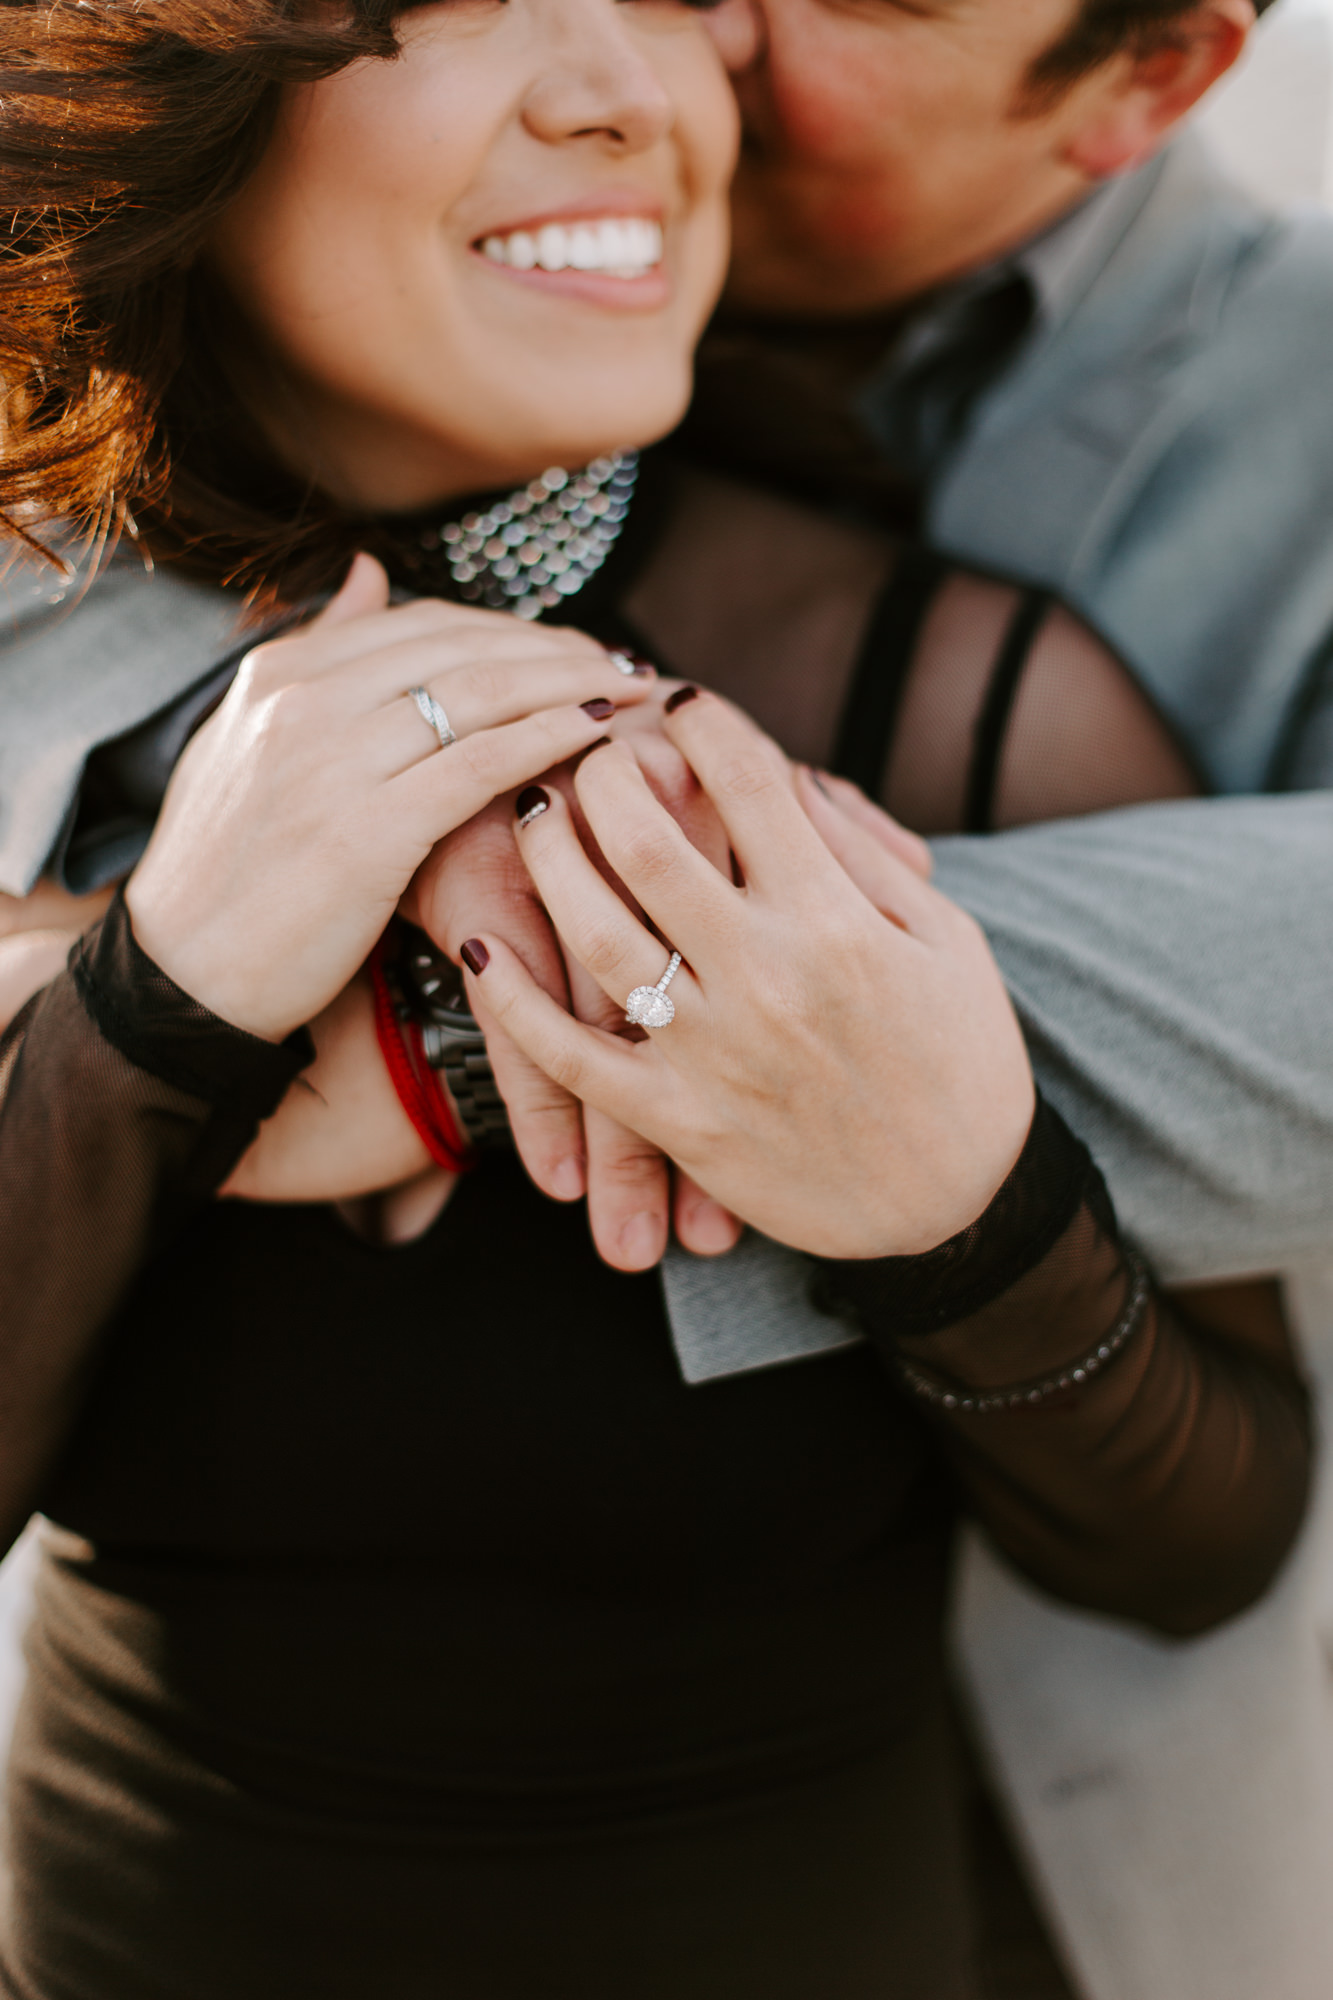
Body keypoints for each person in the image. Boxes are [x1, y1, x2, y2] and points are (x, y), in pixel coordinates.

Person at [0, 0, 1315, 1995]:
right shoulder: (49, 653)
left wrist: (958, 1218)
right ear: (207, 87)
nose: (623, 80)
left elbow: (1200, 1542)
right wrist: (153, 1005)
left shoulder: (970, 701)